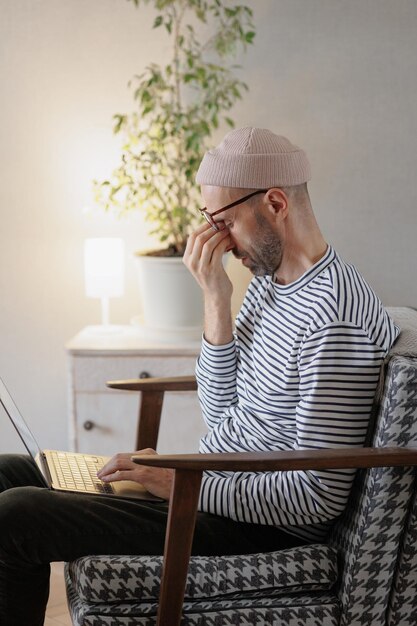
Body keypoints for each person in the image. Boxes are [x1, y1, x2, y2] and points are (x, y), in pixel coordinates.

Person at [0, 127, 399, 625]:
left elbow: (316, 497)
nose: (216, 241)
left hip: (255, 524)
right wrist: (215, 299)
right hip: (211, 485)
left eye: (224, 221)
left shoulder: (333, 318)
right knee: (9, 470)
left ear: (275, 203)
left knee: (14, 515)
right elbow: (221, 414)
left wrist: (180, 482)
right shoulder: (271, 284)